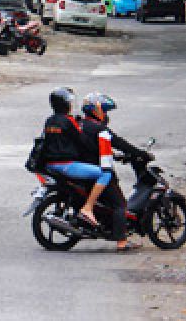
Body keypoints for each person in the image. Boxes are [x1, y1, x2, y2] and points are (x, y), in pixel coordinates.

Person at [78, 92, 152, 251]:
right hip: (98, 171)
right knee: (120, 204)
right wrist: (142, 154)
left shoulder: (80, 124)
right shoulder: (99, 129)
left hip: (80, 169)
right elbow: (120, 143)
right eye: (104, 111)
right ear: (95, 111)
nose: (105, 115)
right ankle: (122, 242)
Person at [41, 87, 110, 230]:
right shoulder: (69, 121)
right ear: (66, 104)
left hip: (50, 165)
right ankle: (88, 208)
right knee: (105, 173)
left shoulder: (49, 121)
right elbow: (83, 141)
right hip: (66, 165)